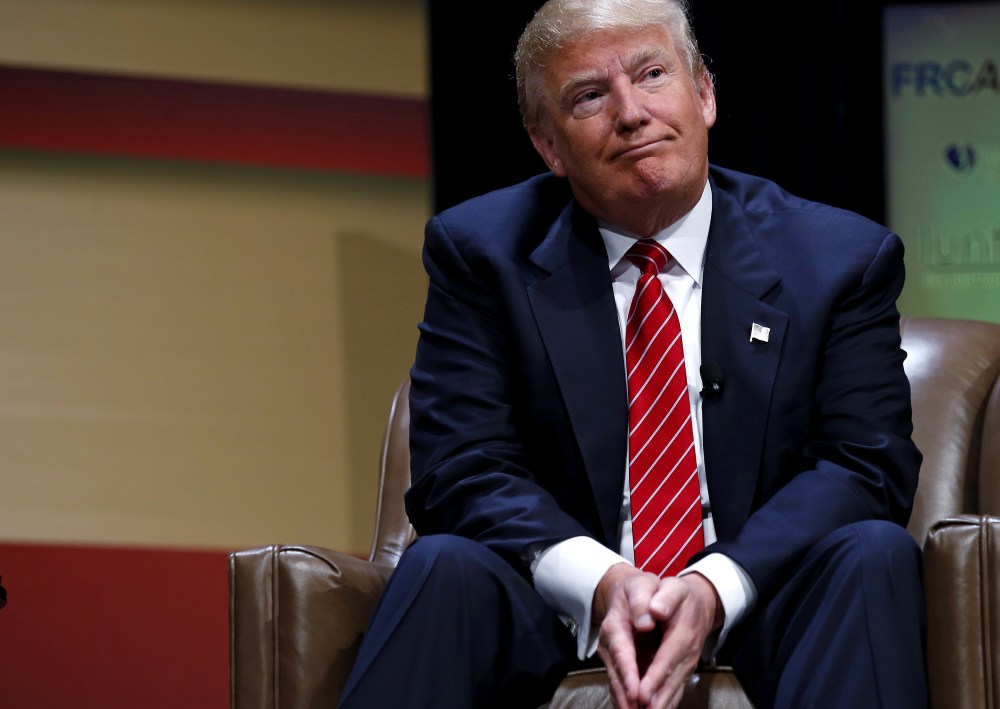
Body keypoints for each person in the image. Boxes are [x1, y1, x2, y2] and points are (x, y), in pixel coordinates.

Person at [339, 0, 928, 707]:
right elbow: (459, 469)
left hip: (767, 597)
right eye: (590, 95)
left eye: (652, 74)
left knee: (871, 553)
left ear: (704, 94)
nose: (630, 112)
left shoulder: (836, 260)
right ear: (547, 144)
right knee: (442, 564)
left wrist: (715, 584)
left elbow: (866, 464)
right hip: (557, 610)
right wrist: (602, 581)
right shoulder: (482, 253)